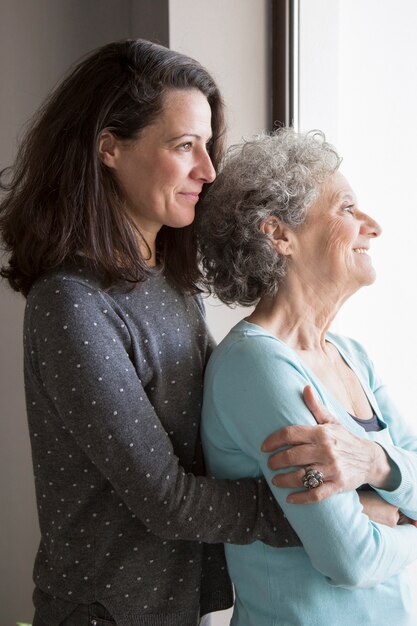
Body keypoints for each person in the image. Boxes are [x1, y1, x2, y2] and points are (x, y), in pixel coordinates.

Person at [0, 39, 348, 626]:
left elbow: (207, 446)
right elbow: (168, 499)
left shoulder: (165, 280)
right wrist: (330, 511)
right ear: (109, 148)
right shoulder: (71, 304)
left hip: (178, 607)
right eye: (184, 146)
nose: (208, 172)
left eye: (207, 147)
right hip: (103, 615)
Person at [198, 128, 417, 625]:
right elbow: (351, 558)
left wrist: (377, 465)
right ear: (279, 235)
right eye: (346, 209)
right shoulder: (256, 366)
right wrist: (408, 512)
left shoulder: (352, 355)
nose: (373, 226)